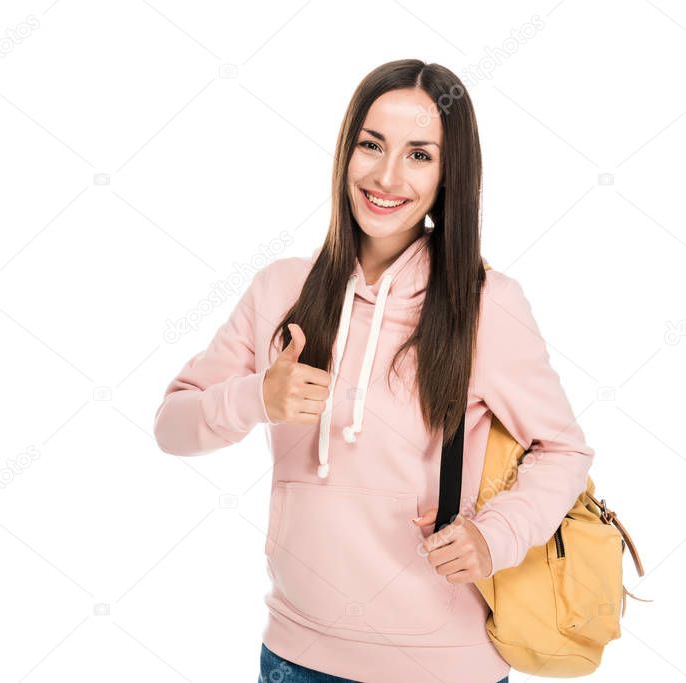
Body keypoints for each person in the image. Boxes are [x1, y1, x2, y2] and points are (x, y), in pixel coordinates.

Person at [152, 59, 593, 683]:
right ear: (345, 151)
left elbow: (563, 450)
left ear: (448, 175)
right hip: (296, 658)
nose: (387, 176)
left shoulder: (487, 303)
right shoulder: (281, 289)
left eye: (419, 155)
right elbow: (172, 426)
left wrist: (495, 536)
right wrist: (257, 398)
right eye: (371, 145)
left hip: (443, 668)